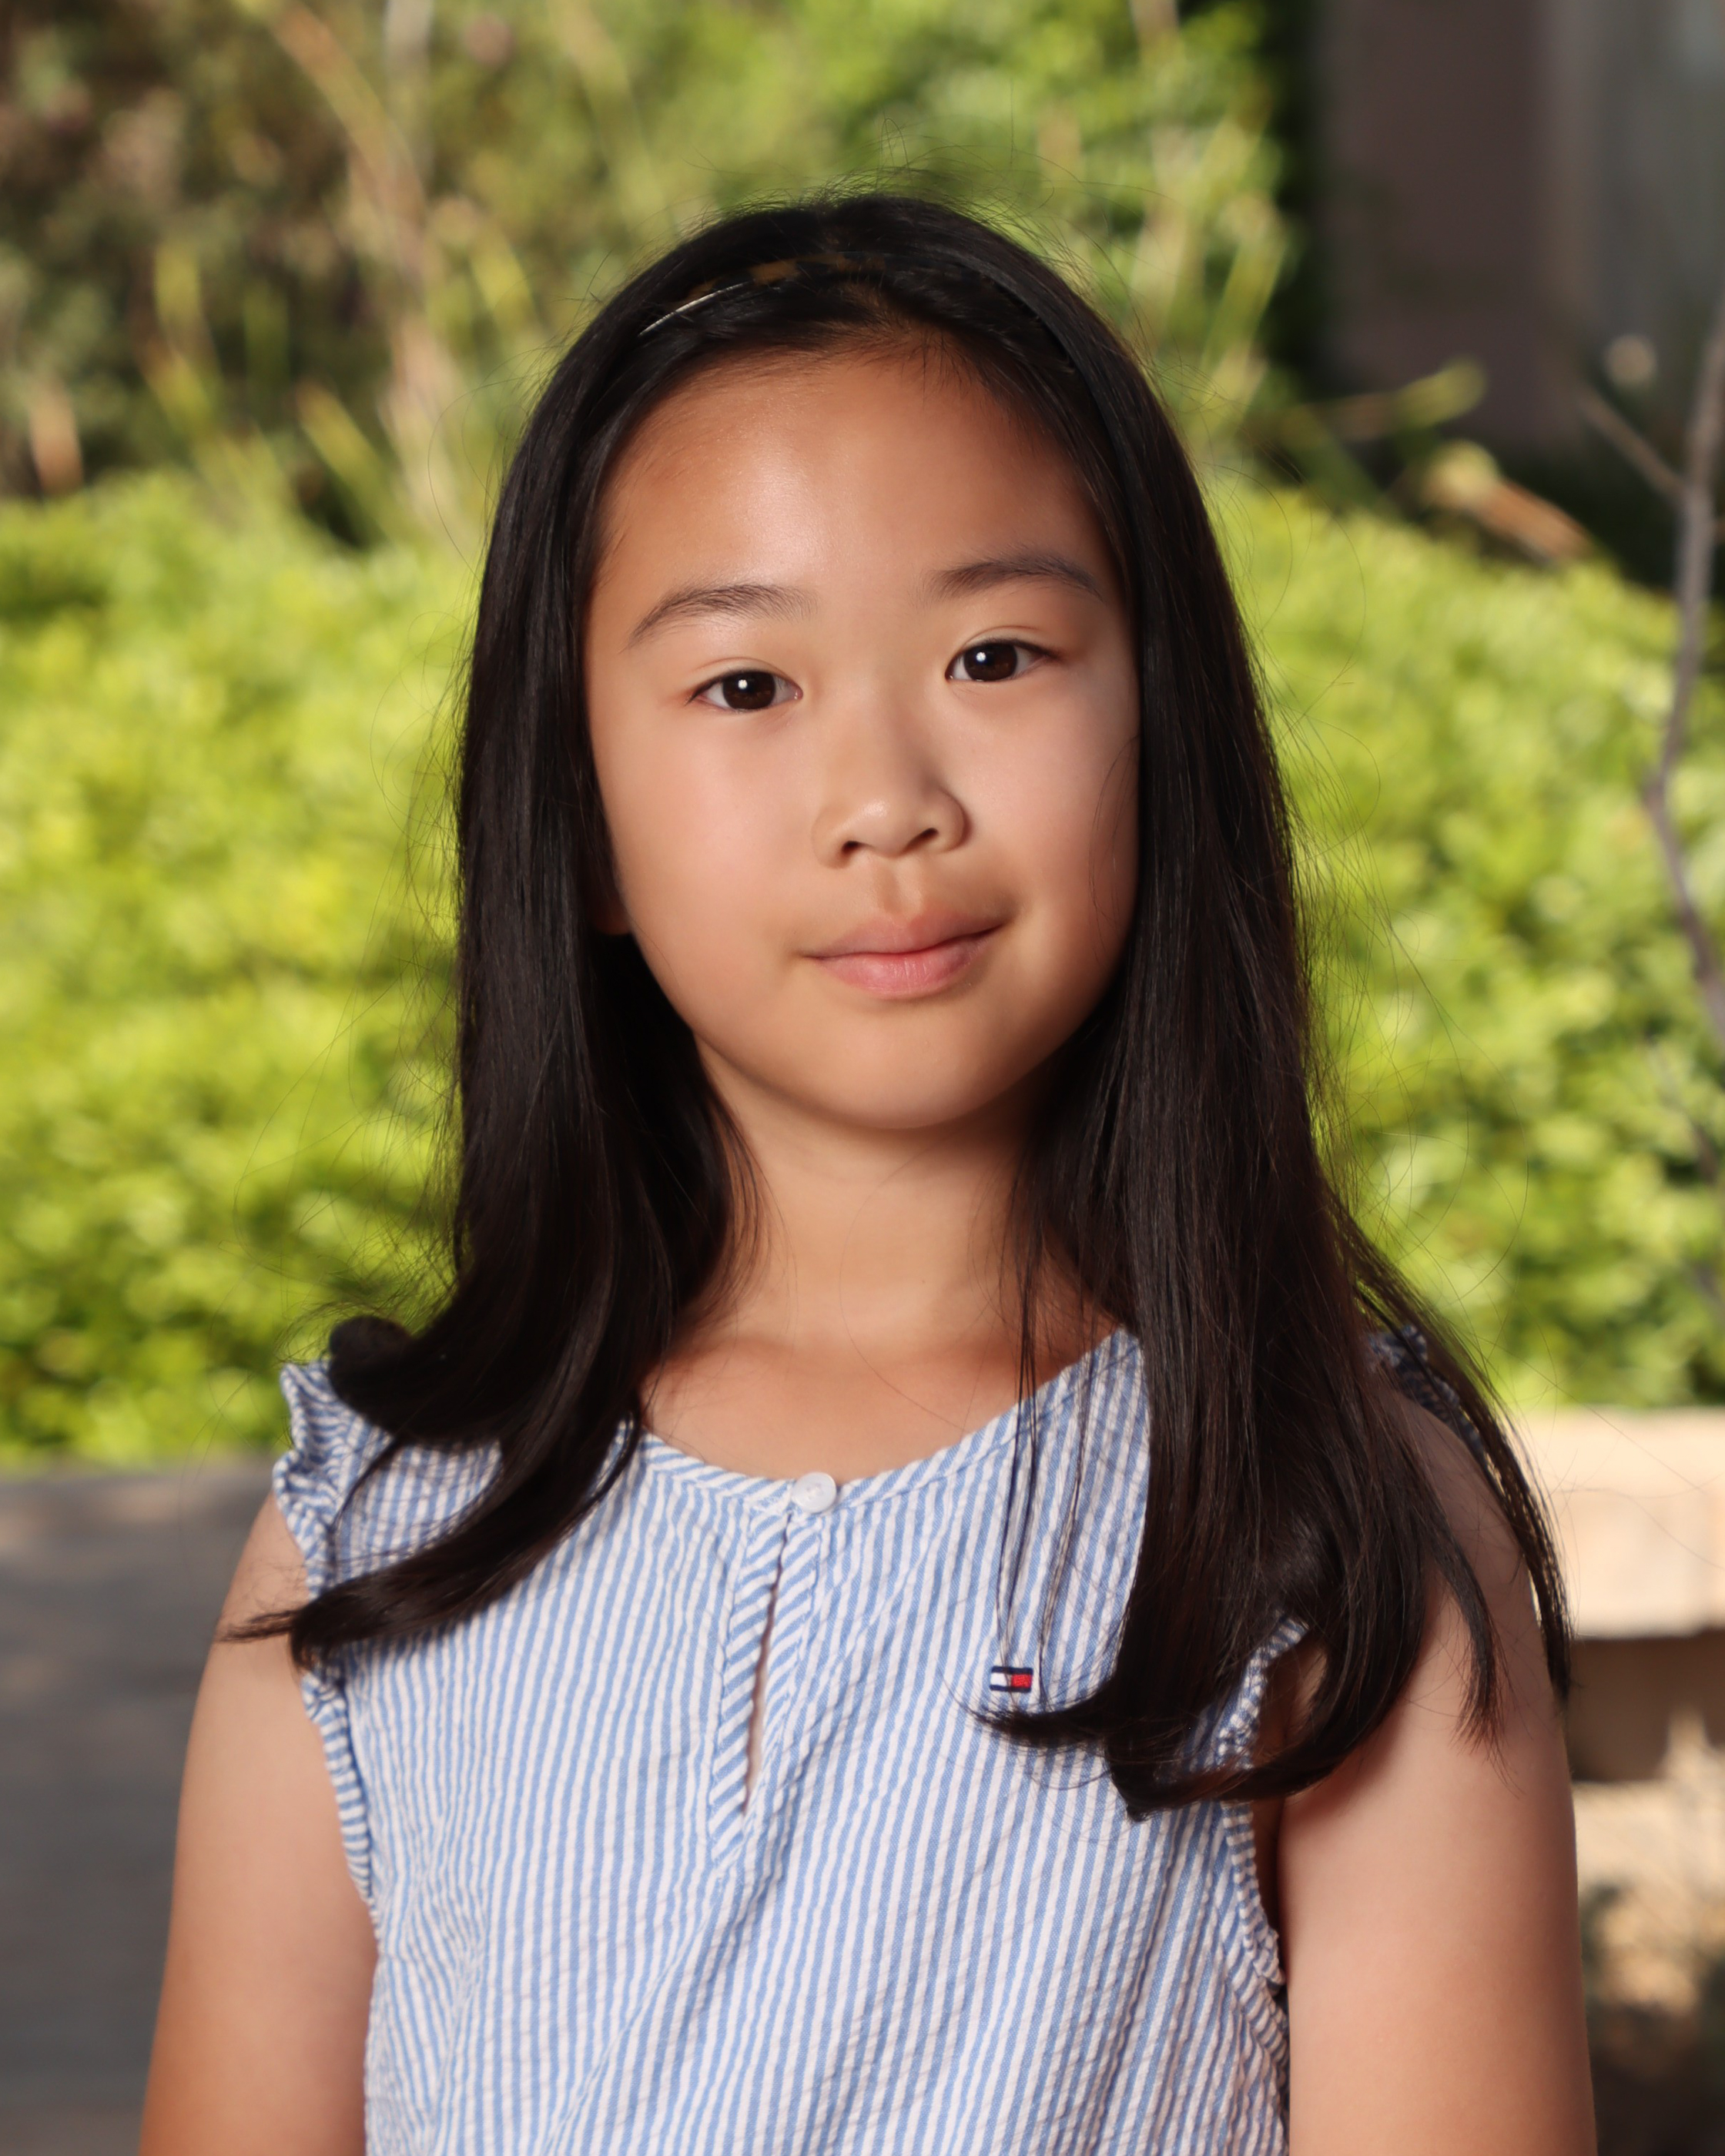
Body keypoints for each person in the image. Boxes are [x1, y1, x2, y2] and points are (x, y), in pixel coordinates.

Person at [140, 193, 1594, 2155]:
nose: (888, 800)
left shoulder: (1319, 1517)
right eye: (746, 685)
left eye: (996, 654)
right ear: (576, 815)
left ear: (1159, 731)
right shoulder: (380, 1530)